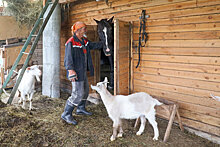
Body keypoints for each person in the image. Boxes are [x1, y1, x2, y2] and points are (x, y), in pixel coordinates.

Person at [61, 22, 103, 125]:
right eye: (84, 29)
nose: (85, 30)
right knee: (77, 94)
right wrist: (70, 70)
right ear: (78, 31)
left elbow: (93, 45)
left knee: (85, 91)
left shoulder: (84, 41)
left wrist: (106, 42)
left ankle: (80, 108)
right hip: (75, 72)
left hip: (82, 71)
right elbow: (68, 58)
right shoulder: (71, 42)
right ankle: (66, 114)